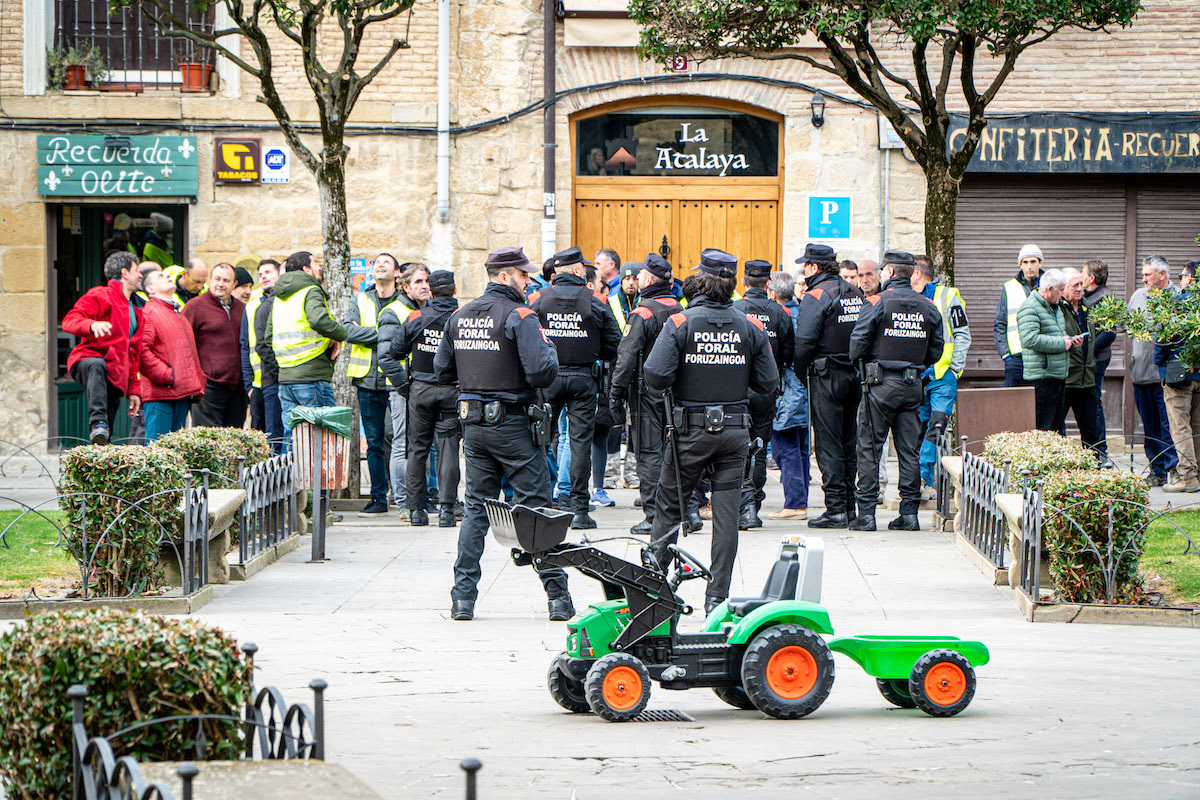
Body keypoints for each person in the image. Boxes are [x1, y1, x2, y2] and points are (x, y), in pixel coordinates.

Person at [433, 246, 574, 623]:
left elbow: (441, 369)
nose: (529, 280)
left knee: (476, 509)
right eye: (523, 274)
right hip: (514, 425)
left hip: (475, 426)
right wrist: (550, 348)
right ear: (503, 276)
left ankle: (462, 599)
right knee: (536, 511)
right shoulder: (520, 315)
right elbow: (543, 373)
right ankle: (558, 597)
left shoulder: (459, 315)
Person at [644, 248, 778, 615]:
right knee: (726, 514)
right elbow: (769, 382)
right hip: (735, 431)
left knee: (669, 507)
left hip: (690, 431)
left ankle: (654, 595)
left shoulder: (679, 323)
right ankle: (717, 598)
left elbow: (654, 376)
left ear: (700, 281)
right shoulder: (751, 326)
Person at [848, 251, 944, 531]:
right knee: (909, 450)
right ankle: (910, 514)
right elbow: (936, 349)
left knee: (869, 447)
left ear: (888, 272)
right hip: (913, 385)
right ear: (910, 273)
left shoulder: (877, 302)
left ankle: (866, 514)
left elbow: (858, 342)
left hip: (879, 385)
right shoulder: (927, 306)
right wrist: (915, 366)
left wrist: (866, 368)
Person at [529, 247, 622, 529]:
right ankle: (579, 510)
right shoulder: (596, 299)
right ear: (580, 271)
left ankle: (542, 505)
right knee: (580, 443)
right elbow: (614, 343)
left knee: (540, 439)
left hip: (548, 378)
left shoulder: (538, 299)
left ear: (556, 273)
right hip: (584, 377)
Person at [610, 253, 685, 534]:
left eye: (640, 274)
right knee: (675, 451)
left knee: (648, 454)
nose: (636, 278)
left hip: (646, 393)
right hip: (675, 391)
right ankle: (685, 510)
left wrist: (615, 392)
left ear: (649, 280)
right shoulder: (678, 308)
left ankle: (653, 515)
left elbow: (626, 356)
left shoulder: (643, 312)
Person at [793, 243, 865, 529]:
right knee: (848, 441)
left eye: (805, 266)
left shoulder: (817, 295)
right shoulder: (854, 292)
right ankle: (849, 506)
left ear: (813, 267)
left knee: (828, 443)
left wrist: (800, 373)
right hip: (853, 375)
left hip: (826, 376)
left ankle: (835, 508)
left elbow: (804, 342)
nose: (804, 271)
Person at [390, 270, 462, 526]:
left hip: (420, 389)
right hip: (452, 390)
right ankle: (446, 510)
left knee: (417, 449)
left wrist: (403, 386)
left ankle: (416, 511)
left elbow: (392, 353)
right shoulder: (462, 317)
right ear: (454, 290)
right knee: (449, 449)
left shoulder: (416, 316)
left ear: (431, 291)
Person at [733, 258, 794, 530]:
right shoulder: (780, 313)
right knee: (759, 447)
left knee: (736, 448)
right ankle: (754, 503)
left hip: (737, 389)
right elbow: (790, 352)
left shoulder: (735, 310)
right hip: (767, 389)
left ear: (743, 282)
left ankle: (742, 504)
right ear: (768, 284)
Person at [266, 251, 348, 450]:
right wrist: (340, 334)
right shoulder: (311, 290)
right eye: (316, 263)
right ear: (306, 269)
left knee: (292, 437)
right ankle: (315, 483)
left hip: (286, 379)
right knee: (322, 440)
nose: (319, 267)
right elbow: (318, 320)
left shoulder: (279, 298)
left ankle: (293, 481)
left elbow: (269, 336)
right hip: (312, 376)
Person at [61, 251, 144, 444]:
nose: (140, 275)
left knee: (103, 441)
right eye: (137, 270)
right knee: (97, 365)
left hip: (115, 378)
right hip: (86, 363)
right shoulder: (101, 295)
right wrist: (91, 325)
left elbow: (134, 355)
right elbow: (70, 320)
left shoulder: (138, 309)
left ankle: (98, 450)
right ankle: (97, 422)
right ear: (125, 273)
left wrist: (134, 390)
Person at [344, 256, 402, 516]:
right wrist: (387, 334)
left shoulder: (404, 302)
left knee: (398, 437)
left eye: (386, 262)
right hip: (367, 379)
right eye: (376, 262)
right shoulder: (360, 299)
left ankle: (403, 493)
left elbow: (409, 333)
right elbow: (348, 331)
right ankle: (379, 496)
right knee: (375, 442)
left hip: (396, 381)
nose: (380, 265)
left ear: (397, 272)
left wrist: (366, 331)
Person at [910, 254, 971, 495]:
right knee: (917, 427)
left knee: (936, 426)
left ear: (917, 273)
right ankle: (917, 481)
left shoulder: (946, 297)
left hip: (942, 375)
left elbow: (962, 334)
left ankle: (926, 479)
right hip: (916, 375)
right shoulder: (905, 297)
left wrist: (955, 368)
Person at [387, 261, 432, 517]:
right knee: (402, 443)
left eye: (426, 281)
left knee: (420, 445)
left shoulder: (426, 310)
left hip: (421, 388)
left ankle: (420, 498)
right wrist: (405, 386)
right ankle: (404, 502)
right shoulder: (395, 311)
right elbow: (387, 356)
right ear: (405, 286)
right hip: (403, 389)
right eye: (418, 282)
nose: (424, 286)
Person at [1130, 255, 1179, 485]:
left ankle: (1174, 470)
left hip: (1166, 376)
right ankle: (1156, 470)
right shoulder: (1138, 296)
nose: (1144, 279)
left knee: (1168, 425)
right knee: (1149, 426)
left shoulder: (1178, 298)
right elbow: (1129, 328)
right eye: (1143, 274)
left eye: (1148, 275)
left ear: (1162, 274)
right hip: (1140, 372)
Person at [139, 270, 205, 441]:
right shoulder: (149, 313)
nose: (167, 277)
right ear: (150, 289)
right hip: (161, 395)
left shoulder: (177, 313)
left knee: (175, 452)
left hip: (180, 393)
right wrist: (168, 376)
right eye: (160, 276)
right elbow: (141, 351)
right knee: (157, 452)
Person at [766, 271, 810, 520]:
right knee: (800, 445)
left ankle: (794, 503)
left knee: (785, 446)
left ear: (772, 292)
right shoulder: (802, 311)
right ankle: (799, 500)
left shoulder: (780, 316)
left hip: (788, 389)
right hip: (803, 388)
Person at [182, 262, 247, 428]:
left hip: (237, 389)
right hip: (208, 388)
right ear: (210, 280)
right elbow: (184, 345)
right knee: (208, 442)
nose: (221, 284)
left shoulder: (242, 309)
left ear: (234, 284)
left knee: (235, 442)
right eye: (217, 279)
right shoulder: (195, 307)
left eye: (226, 280)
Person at [1155, 260, 1199, 493]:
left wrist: (1159, 361)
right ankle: (1197, 473)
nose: (1180, 280)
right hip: (1199, 374)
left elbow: (1163, 339)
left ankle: (1188, 476)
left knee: (1180, 426)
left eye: (1182, 276)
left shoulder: (1178, 303)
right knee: (1197, 426)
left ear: (1189, 278)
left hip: (1178, 374)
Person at [1017, 268, 1079, 433]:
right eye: (1061, 291)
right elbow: (1029, 339)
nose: (1063, 295)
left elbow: (1058, 335)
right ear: (1050, 289)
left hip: (1057, 374)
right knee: (1043, 428)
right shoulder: (1029, 308)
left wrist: (1071, 343)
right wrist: (1061, 343)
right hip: (1042, 377)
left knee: (1058, 427)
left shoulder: (1055, 307)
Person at [1060, 268, 1104, 454]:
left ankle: (1095, 464)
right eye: (1075, 285)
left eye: (1081, 284)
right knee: (1056, 429)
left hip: (1087, 377)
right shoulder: (1057, 309)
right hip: (1066, 378)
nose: (1080, 289)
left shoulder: (1087, 306)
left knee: (1091, 430)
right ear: (1063, 288)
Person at [242, 259, 283, 452]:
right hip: (258, 383)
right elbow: (245, 345)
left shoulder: (285, 303)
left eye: (268, 272)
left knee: (279, 435)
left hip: (279, 379)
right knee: (260, 440)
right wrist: (248, 384)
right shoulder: (251, 307)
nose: (263, 276)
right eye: (260, 274)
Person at [996, 244, 1044, 387]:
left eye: (1033, 261)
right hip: (1016, 357)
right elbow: (1000, 322)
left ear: (1040, 263)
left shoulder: (1049, 285)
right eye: (1025, 262)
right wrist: (1006, 355)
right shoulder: (1009, 287)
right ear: (1020, 265)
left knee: (1040, 404)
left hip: (1041, 355)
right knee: (1013, 404)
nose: (1029, 266)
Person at [1081, 259, 1115, 460]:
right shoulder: (1089, 295)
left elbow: (1109, 333)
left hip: (1096, 359)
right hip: (1088, 358)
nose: (1081, 277)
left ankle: (1100, 449)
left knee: (1093, 400)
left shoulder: (1105, 297)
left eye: (1083, 273)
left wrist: (1088, 350)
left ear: (1091, 278)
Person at [609, 262, 640, 333]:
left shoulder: (645, 301)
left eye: (635, 279)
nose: (631, 282)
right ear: (621, 281)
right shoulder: (611, 302)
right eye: (627, 278)